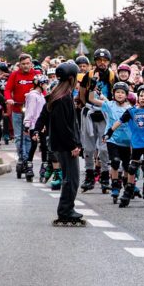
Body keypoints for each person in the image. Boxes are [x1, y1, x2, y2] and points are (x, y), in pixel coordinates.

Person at [39, 61, 86, 226]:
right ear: (71, 78)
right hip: (65, 145)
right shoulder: (63, 98)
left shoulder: (58, 95)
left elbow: (45, 116)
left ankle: (66, 209)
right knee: (71, 179)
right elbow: (64, 126)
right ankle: (66, 210)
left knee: (70, 178)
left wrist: (37, 129)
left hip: (61, 144)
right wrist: (73, 145)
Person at [105, 83, 144, 208]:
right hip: (136, 144)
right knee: (132, 168)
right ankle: (128, 189)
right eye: (141, 95)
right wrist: (110, 132)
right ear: (137, 97)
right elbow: (119, 121)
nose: (143, 98)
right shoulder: (131, 111)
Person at [80, 48, 115, 193]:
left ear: (109, 62)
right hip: (90, 112)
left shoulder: (112, 76)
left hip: (105, 113)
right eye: (99, 60)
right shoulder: (89, 75)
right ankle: (89, 176)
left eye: (105, 60)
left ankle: (105, 177)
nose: (102, 63)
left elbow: (115, 95)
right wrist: (87, 106)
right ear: (95, 62)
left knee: (104, 148)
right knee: (88, 148)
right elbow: (82, 93)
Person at [5, 53, 38, 178]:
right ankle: (22, 158)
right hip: (17, 109)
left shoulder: (36, 74)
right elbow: (8, 89)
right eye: (23, 64)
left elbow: (43, 89)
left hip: (31, 111)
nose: (26, 66)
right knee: (19, 137)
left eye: (28, 63)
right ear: (19, 65)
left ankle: (28, 160)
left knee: (29, 137)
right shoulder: (15, 75)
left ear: (31, 64)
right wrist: (9, 99)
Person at [102, 81, 133, 205]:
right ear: (113, 93)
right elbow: (91, 99)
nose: (120, 94)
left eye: (122, 92)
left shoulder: (130, 108)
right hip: (112, 139)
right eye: (117, 92)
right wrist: (91, 87)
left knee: (127, 166)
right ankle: (115, 186)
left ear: (126, 95)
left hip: (127, 141)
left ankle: (127, 184)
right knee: (115, 162)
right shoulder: (109, 105)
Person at [22, 74, 47, 183]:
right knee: (33, 145)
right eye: (45, 83)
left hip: (42, 125)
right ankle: (29, 166)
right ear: (40, 84)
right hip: (33, 125)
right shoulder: (33, 96)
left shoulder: (41, 96)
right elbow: (30, 110)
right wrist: (27, 124)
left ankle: (44, 167)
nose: (46, 86)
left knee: (44, 146)